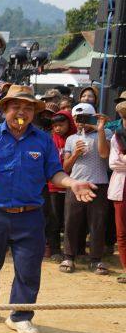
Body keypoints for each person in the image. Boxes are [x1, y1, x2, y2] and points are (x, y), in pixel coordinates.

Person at [0, 85, 97, 333]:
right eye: (16, 107)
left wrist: (71, 183)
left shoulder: (43, 141)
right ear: (5, 109)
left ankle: (20, 315)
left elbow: (55, 173)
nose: (21, 112)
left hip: (30, 214)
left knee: (28, 267)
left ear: (34, 113)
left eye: (27, 108)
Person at [60, 103, 111, 275]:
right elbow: (66, 168)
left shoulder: (106, 133)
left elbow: (104, 154)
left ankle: (96, 259)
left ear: (92, 117)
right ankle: (69, 256)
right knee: (71, 222)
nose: (80, 122)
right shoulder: (71, 139)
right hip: (75, 184)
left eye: (83, 118)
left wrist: (101, 129)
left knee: (97, 224)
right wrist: (75, 153)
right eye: (76, 119)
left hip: (99, 184)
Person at [44, 110, 75, 259]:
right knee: (54, 220)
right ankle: (55, 250)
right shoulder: (49, 139)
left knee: (70, 221)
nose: (57, 128)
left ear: (69, 123)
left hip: (73, 185)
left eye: (61, 125)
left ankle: (73, 251)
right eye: (55, 125)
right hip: (53, 187)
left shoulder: (76, 138)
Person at [109, 102, 126, 283]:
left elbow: (119, 161)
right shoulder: (116, 136)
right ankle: (125, 267)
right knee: (121, 232)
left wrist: (123, 158)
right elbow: (113, 163)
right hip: (121, 187)